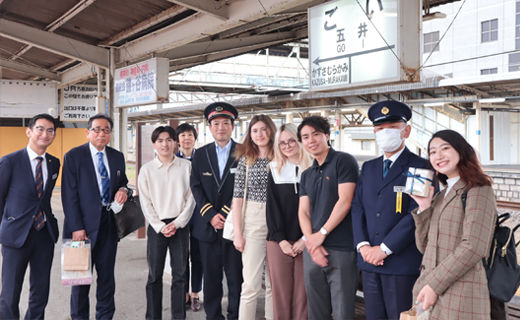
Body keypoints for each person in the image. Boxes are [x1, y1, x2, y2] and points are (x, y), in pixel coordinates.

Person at [350, 100, 427, 320]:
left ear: (406, 131)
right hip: (369, 262)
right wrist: (363, 246)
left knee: (400, 316)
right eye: (380, 128)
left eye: (392, 128)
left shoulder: (419, 166)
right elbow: (358, 209)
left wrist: (383, 249)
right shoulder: (369, 167)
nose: (385, 133)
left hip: (400, 262)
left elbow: (417, 213)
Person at [411, 129, 496, 320]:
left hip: (461, 295)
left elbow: (474, 247)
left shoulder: (479, 190)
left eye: (445, 148)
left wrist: (434, 285)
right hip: (430, 293)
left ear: (461, 150)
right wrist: (424, 207)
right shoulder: (442, 195)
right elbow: (425, 247)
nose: (438, 156)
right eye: (432, 152)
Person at [62, 114, 130, 320]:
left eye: (106, 130)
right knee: (80, 281)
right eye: (97, 129)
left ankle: (105, 316)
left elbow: (124, 182)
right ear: (88, 132)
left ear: (110, 134)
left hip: (109, 227)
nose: (101, 134)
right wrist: (76, 227)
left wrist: (125, 190)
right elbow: (69, 194)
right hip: (80, 229)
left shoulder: (117, 156)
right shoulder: (74, 156)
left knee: (107, 279)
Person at [297, 115, 359, 320]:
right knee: (316, 311)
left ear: (327, 135)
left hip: (341, 248)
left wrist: (321, 234)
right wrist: (311, 243)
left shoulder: (343, 161)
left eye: (316, 134)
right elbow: (303, 212)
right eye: (305, 137)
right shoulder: (306, 174)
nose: (311, 140)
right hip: (313, 251)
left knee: (342, 311)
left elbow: (345, 201)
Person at [0, 114, 60, 320]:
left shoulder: (54, 163)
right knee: (9, 293)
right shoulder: (9, 162)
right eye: (40, 129)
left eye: (50, 130)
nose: (45, 134)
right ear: (29, 131)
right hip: (15, 236)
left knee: (40, 291)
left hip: (44, 234)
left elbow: (44, 198)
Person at [190, 102, 243, 320]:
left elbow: (244, 187)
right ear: (209, 128)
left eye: (225, 123)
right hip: (207, 228)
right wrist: (211, 214)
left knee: (236, 278)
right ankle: (213, 316)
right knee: (211, 279)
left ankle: (235, 315)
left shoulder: (243, 152)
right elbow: (195, 186)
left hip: (235, 226)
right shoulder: (200, 154)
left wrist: (226, 213)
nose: (220, 127)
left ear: (232, 126)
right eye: (216, 123)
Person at [138, 126, 196, 320]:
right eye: (160, 140)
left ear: (175, 143)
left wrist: (178, 223)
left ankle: (178, 316)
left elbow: (191, 199)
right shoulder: (146, 170)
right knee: (154, 276)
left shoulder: (186, 167)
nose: (165, 144)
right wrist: (160, 226)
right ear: (154, 144)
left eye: (169, 140)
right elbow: (145, 202)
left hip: (180, 226)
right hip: (157, 227)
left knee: (180, 276)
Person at [232, 114, 276, 320]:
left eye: (264, 129)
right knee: (251, 283)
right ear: (250, 134)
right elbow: (238, 198)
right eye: (255, 130)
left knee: (274, 283)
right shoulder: (245, 160)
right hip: (253, 219)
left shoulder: (281, 156)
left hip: (278, 219)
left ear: (271, 131)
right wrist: (238, 233)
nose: (260, 134)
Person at [265, 123, 312, 320]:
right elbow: (272, 208)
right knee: (281, 295)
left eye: (292, 140)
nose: (287, 146)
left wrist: (305, 238)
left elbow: (317, 208)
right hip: (279, 241)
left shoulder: (312, 168)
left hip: (308, 239)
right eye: (282, 142)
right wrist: (281, 240)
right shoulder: (274, 169)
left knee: (304, 295)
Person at [175, 123, 203, 312]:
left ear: (195, 138)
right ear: (178, 140)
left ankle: (195, 294)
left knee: (198, 256)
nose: (186, 138)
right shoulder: (173, 159)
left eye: (190, 135)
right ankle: (183, 292)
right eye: (183, 135)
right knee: (181, 256)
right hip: (179, 215)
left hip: (200, 215)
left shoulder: (202, 158)